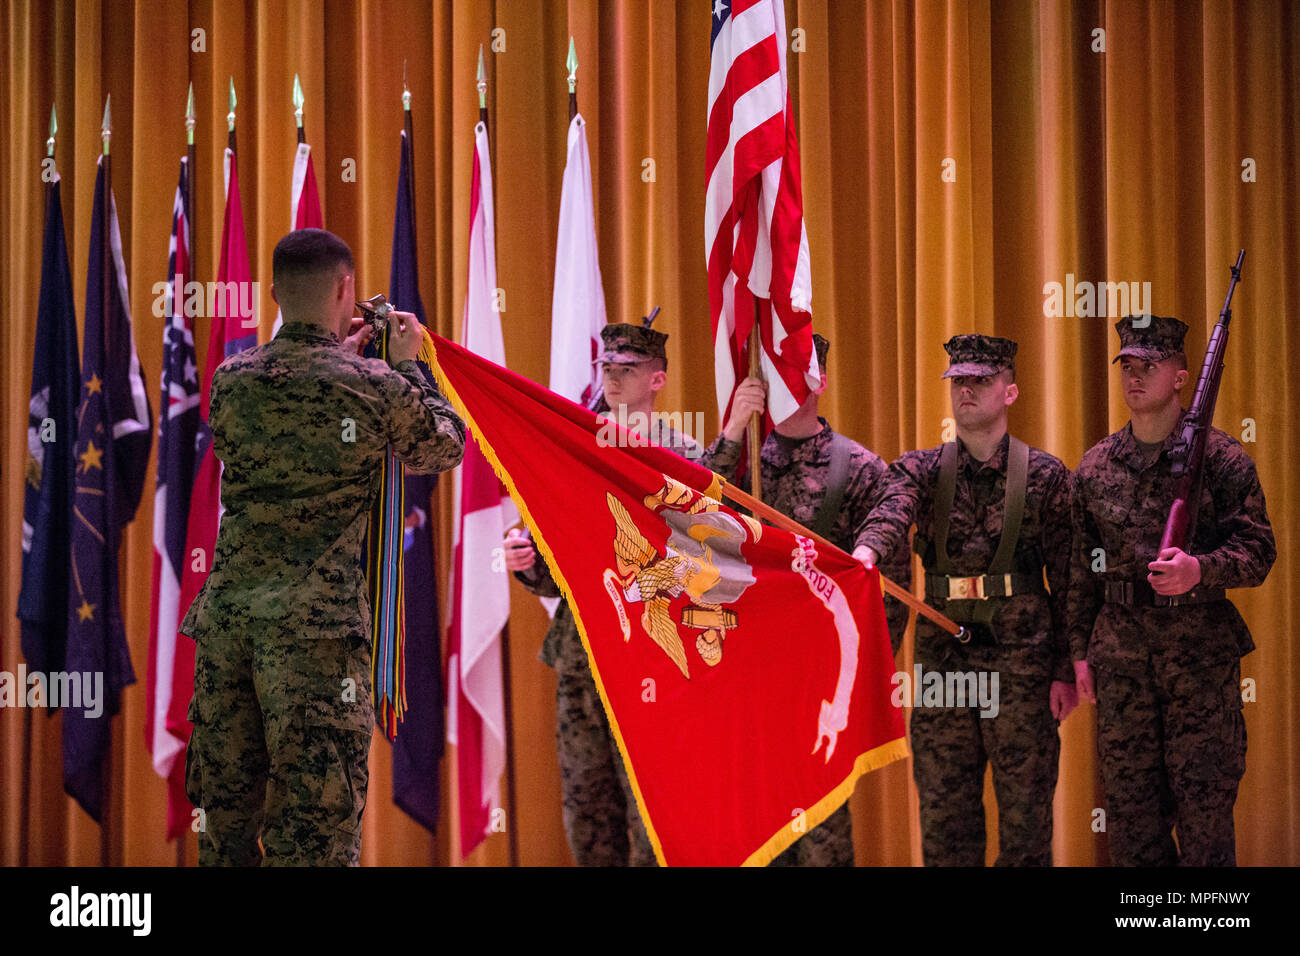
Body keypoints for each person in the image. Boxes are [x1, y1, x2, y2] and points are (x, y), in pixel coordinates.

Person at [180, 228, 466, 866]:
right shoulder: (369, 385)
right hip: (316, 641)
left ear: (275, 291)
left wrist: (347, 359)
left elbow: (292, 398)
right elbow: (443, 444)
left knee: (223, 836)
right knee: (313, 839)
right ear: (346, 288)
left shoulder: (229, 380)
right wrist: (409, 364)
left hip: (227, 630)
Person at [854, 334, 1076, 866]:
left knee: (1027, 823)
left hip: (1022, 664)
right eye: (958, 380)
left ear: (1011, 391)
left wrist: (1067, 667)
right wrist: (867, 550)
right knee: (945, 820)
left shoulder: (1045, 476)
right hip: (943, 661)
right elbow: (892, 510)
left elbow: (1071, 580)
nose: (967, 389)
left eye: (981, 379)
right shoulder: (920, 470)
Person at [1068, 315, 1274, 866]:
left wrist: (1200, 569)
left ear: (1182, 376)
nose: (1134, 377)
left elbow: (1259, 553)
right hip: (1121, 665)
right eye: (1127, 367)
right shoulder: (1094, 468)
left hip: (1199, 667)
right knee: (1134, 828)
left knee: (1206, 826)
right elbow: (1078, 574)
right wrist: (1078, 656)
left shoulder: (1223, 461)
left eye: (1148, 367)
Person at [699, 333, 906, 866]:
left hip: (817, 680)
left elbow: (885, 579)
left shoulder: (857, 467)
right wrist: (731, 431)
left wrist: (857, 673)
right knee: (760, 831)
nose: (788, 383)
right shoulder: (744, 462)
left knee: (822, 833)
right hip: (751, 675)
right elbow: (691, 519)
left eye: (798, 371)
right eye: (776, 371)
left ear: (820, 379)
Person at [503, 314, 698, 866]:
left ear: (657, 380)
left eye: (628, 369)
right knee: (588, 809)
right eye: (606, 367)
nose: (612, 380)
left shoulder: (685, 457)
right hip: (583, 649)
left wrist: (638, 588)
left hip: (653, 652)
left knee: (650, 812)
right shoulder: (574, 449)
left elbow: (705, 561)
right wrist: (525, 561)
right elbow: (550, 562)